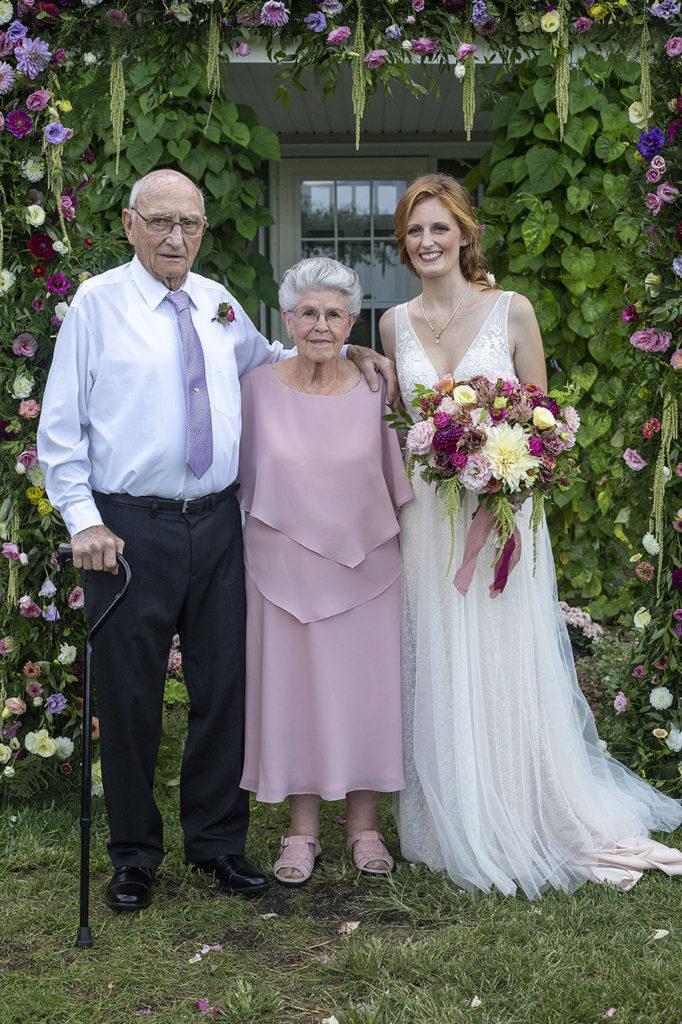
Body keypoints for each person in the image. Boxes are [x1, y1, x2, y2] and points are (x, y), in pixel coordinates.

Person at [37, 170, 395, 913]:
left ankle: (216, 846)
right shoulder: (97, 306)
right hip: (128, 528)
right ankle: (135, 855)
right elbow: (61, 426)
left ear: (203, 228)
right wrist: (83, 520)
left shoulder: (217, 302)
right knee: (132, 696)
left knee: (224, 688)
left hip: (218, 522)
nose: (177, 238)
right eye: (162, 222)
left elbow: (276, 361)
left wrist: (350, 354)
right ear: (131, 224)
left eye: (190, 223)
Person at [379, 173, 682, 898]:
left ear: (464, 234)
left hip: (505, 515)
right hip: (428, 520)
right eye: (414, 232)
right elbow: (396, 429)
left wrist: (503, 476)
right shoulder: (390, 323)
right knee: (441, 651)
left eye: (439, 229)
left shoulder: (511, 311)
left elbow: (542, 427)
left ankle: (521, 802)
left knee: (503, 652)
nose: (427, 242)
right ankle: (452, 806)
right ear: (404, 243)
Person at [238, 257, 413, 886]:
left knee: (365, 694)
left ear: (352, 322)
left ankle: (366, 830)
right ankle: (301, 833)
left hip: (368, 565)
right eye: (307, 313)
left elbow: (405, 473)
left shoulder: (378, 388)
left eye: (332, 314)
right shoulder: (254, 388)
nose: (319, 325)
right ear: (287, 319)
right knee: (295, 698)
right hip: (280, 572)